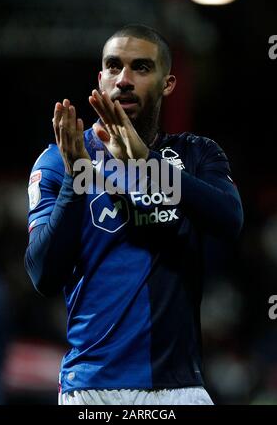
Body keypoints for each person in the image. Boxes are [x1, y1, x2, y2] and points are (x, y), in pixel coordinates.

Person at [24, 24, 244, 405]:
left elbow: (229, 221)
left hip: (180, 389)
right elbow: (43, 273)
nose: (123, 79)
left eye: (141, 68)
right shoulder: (61, 160)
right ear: (100, 78)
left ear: (167, 83)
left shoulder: (195, 155)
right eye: (113, 66)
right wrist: (77, 178)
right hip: (91, 389)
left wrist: (148, 164)